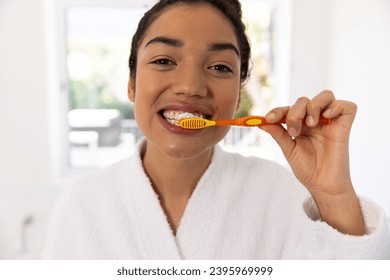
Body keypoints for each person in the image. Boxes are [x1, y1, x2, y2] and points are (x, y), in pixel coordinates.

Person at [43, 0, 390, 259]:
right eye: (164, 61)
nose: (191, 86)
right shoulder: (82, 206)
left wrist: (333, 197)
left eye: (220, 66)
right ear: (132, 84)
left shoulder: (282, 195)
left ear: (238, 94)